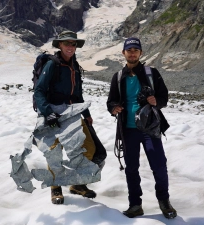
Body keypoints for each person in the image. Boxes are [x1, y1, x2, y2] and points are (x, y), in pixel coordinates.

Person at [106, 37, 177, 219]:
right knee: (131, 168)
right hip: (128, 129)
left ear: (140, 53)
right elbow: (111, 101)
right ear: (124, 53)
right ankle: (135, 205)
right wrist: (114, 108)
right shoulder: (119, 77)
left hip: (149, 128)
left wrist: (157, 101)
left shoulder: (151, 73)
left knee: (159, 165)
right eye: (129, 50)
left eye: (135, 50)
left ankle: (164, 201)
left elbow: (164, 96)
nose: (132, 53)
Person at [34, 30, 97, 205]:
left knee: (88, 147)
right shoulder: (52, 65)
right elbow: (39, 91)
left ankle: (77, 184)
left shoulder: (75, 66)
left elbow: (77, 94)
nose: (70, 46)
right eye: (66, 43)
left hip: (72, 112)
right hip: (52, 113)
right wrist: (48, 113)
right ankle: (56, 188)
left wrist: (87, 114)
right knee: (55, 151)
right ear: (59, 45)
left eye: (73, 44)